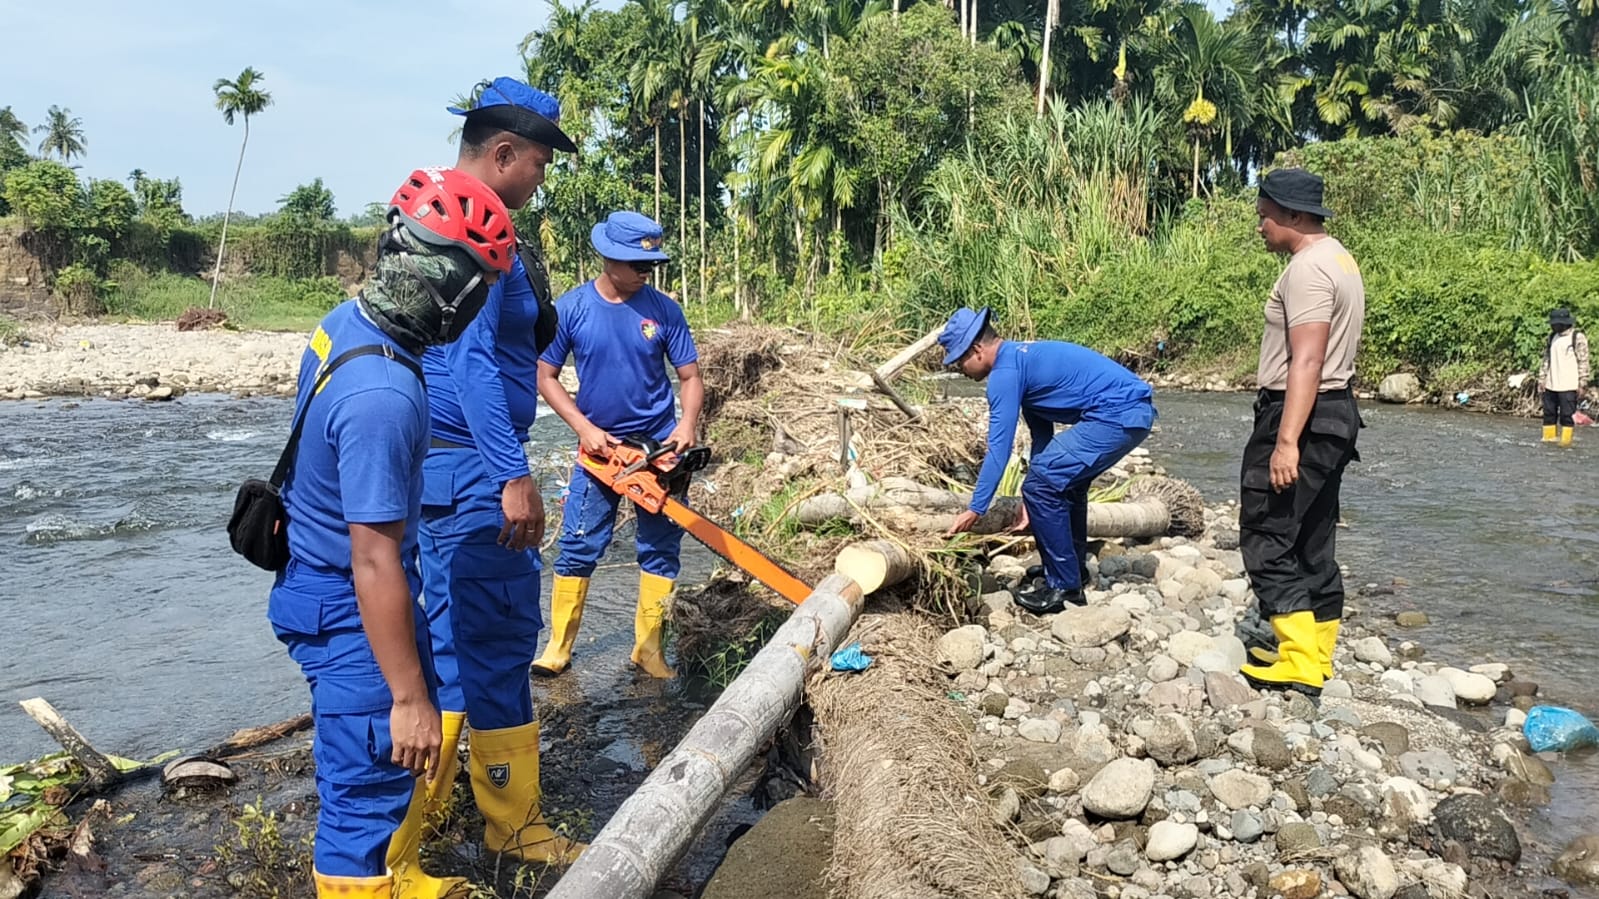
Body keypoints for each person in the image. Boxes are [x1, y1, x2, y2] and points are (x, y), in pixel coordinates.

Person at [267, 167, 514, 898]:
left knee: (381, 769)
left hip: (321, 584)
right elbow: (373, 558)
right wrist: (407, 696)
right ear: (451, 288)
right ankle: (362, 879)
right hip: (348, 602)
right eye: (478, 290)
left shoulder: (347, 323)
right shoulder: (384, 395)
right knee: (366, 787)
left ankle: (394, 873)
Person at [392, 78, 583, 895]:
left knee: (444, 647)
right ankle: (513, 826)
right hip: (472, 464)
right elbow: (470, 364)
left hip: (435, 465)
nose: (539, 177)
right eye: (537, 162)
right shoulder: (479, 229)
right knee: (500, 640)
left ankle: (419, 828)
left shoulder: (427, 214)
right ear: (501, 153)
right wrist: (513, 473)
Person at [532, 211, 703, 679]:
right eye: (635, 264)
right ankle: (558, 647)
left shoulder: (664, 310)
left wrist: (686, 424)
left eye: (650, 264)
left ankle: (648, 649)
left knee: (661, 547)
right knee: (578, 545)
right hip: (599, 453)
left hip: (657, 451)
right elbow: (545, 377)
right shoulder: (572, 309)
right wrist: (582, 427)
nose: (645, 272)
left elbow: (689, 377)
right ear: (607, 258)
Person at [1236, 168, 1365, 698]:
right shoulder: (1339, 257)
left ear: (1292, 215)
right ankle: (1317, 651)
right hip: (1336, 413)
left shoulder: (1308, 270)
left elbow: (1307, 359)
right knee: (1313, 535)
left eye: (1265, 214)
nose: (1260, 224)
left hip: (1303, 414)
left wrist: (1286, 440)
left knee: (1266, 531)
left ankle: (1297, 661)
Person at [941, 307, 1156, 614]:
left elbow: (998, 450)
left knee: (1042, 484)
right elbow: (1042, 435)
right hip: (1130, 412)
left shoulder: (1005, 374)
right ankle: (1072, 570)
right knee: (1064, 485)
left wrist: (976, 508)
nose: (960, 369)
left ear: (977, 349)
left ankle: (1065, 589)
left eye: (960, 360)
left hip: (1118, 414)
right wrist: (1032, 496)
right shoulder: (1019, 360)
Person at [1539, 308, 1589, 446]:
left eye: (1555, 324)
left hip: (1569, 384)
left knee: (1567, 416)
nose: (1553, 326)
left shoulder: (1577, 337)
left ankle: (1565, 443)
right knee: (1549, 414)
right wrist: (1542, 378)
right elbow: (1546, 360)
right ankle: (1548, 440)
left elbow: (1583, 361)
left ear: (1564, 323)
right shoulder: (1551, 337)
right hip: (1551, 383)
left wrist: (1582, 382)